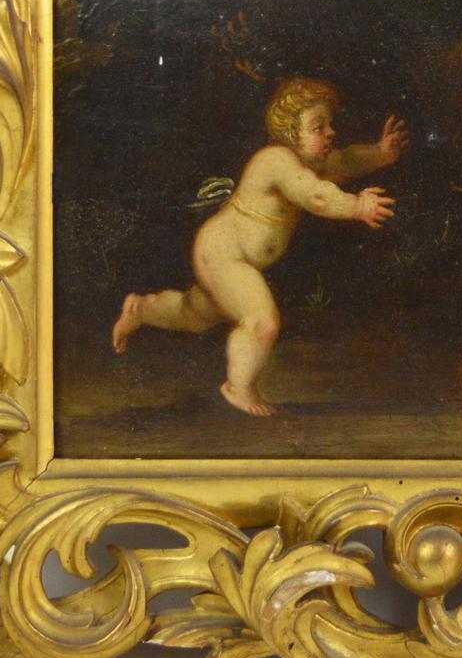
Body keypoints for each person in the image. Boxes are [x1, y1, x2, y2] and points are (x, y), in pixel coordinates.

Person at [111, 77, 407, 416]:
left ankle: (140, 310)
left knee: (194, 316)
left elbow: (347, 161)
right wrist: (356, 206)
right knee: (261, 321)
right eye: (318, 127)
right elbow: (316, 196)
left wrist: (381, 154)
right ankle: (237, 387)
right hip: (224, 253)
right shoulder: (276, 160)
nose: (330, 132)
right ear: (290, 132)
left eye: (329, 124)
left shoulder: (314, 162)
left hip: (225, 256)